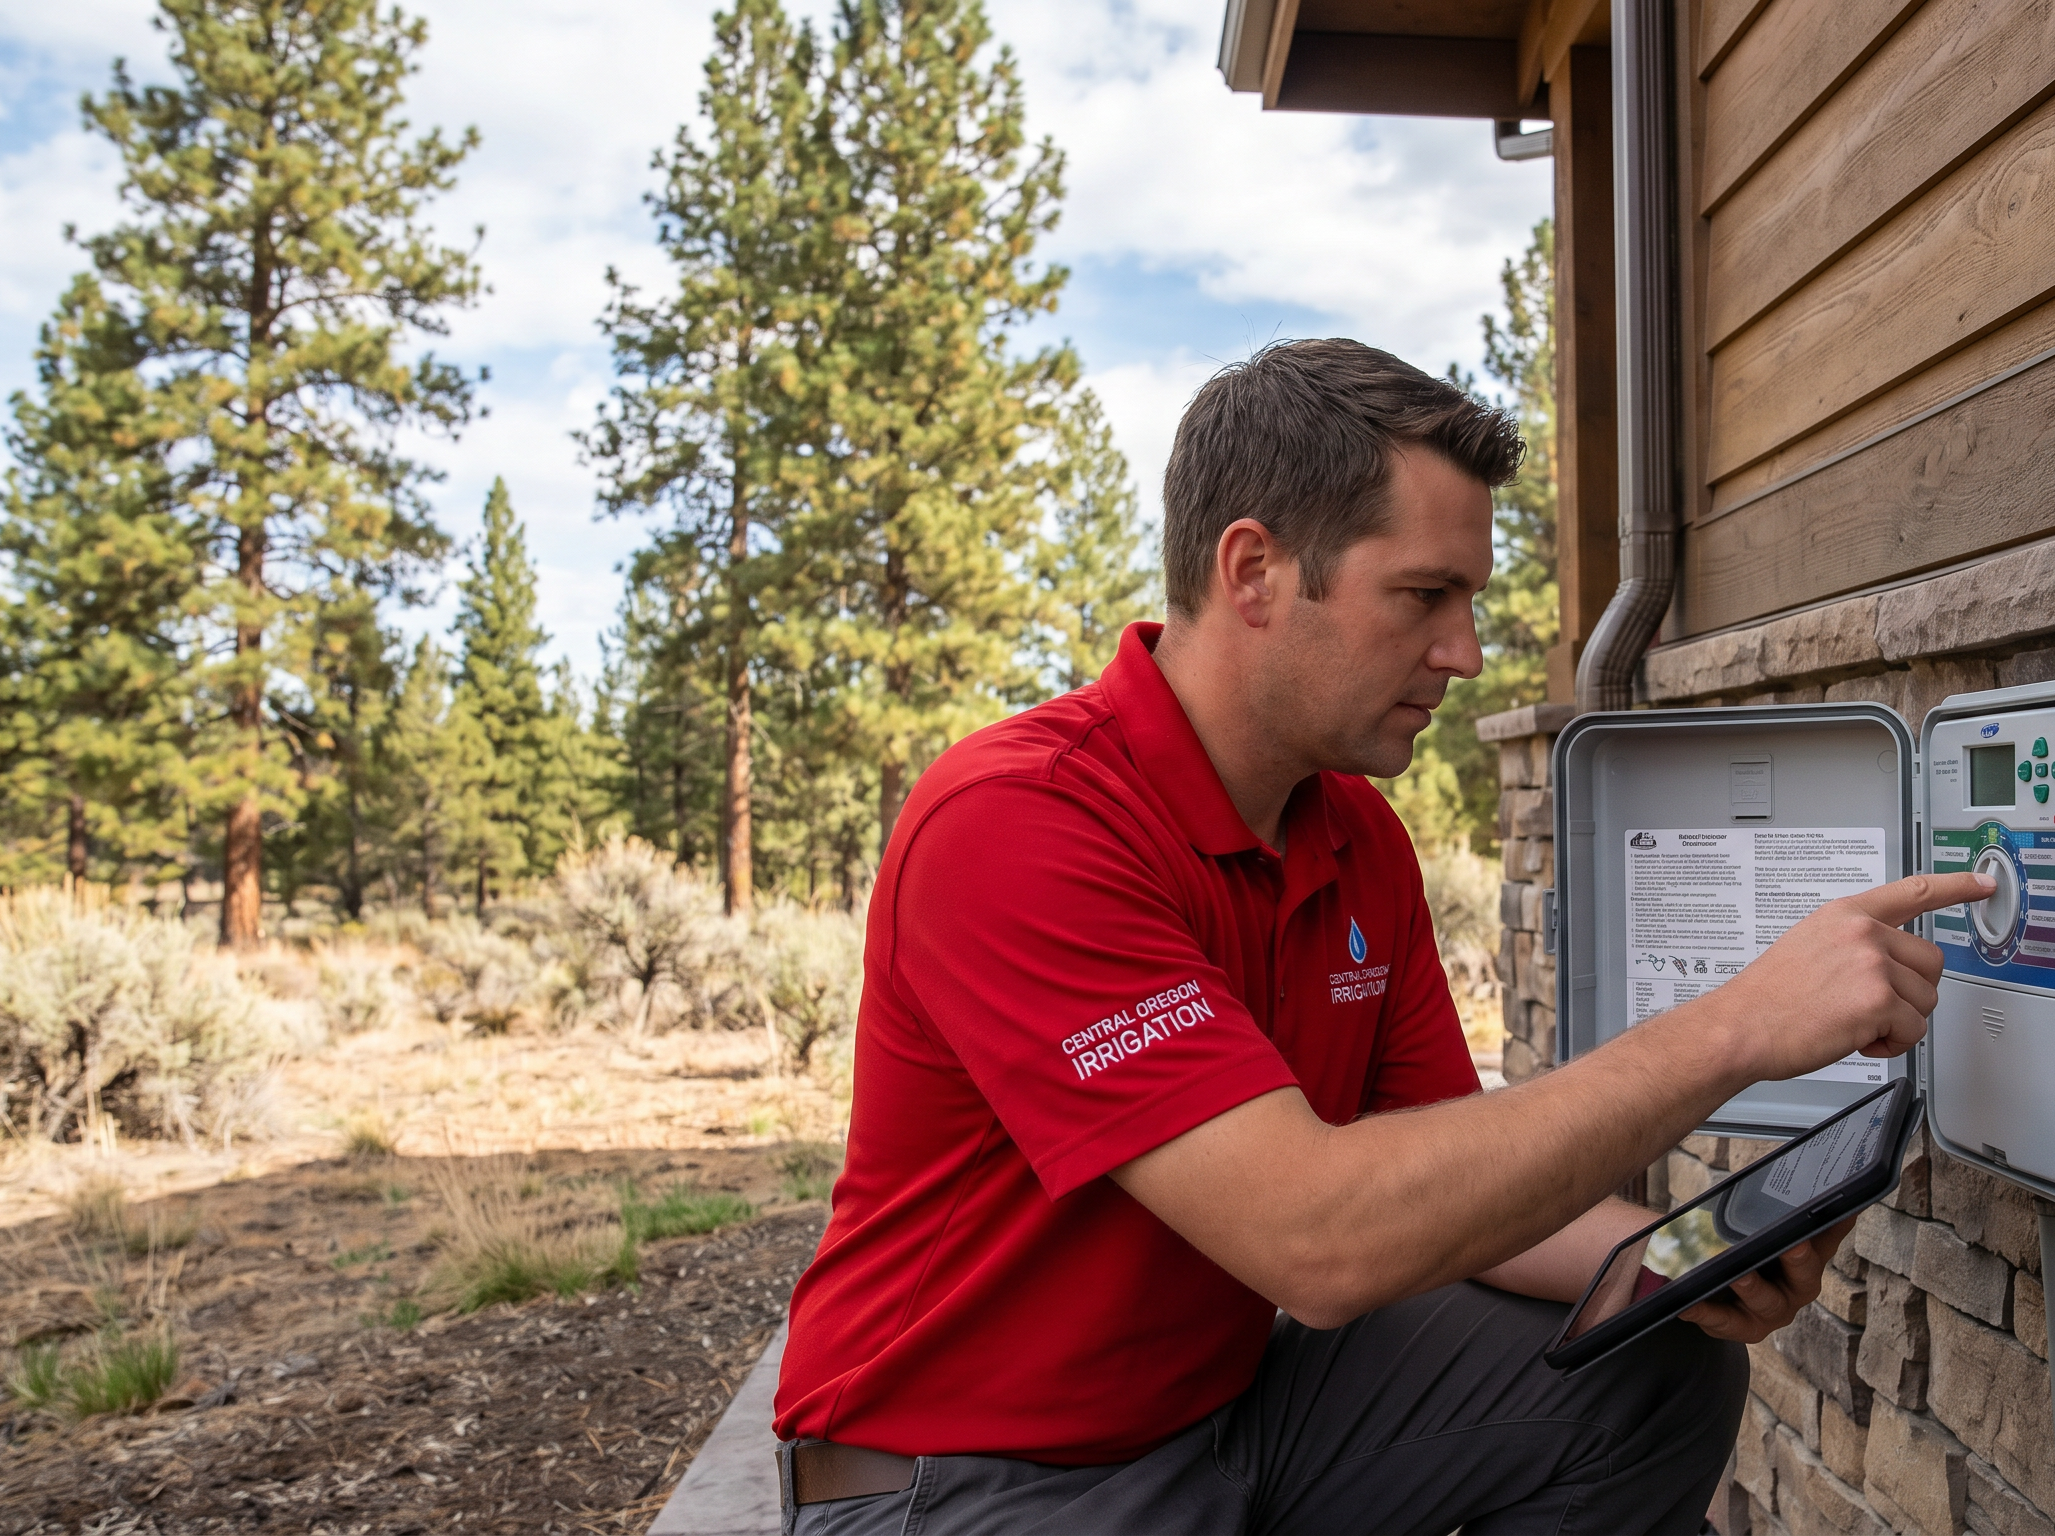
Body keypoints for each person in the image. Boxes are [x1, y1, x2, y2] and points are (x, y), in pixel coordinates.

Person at [773, 339, 1990, 1535]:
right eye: (1423, 596)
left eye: (1466, 599)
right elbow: (1324, 1242)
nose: (1463, 651)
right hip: (958, 1481)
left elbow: (1438, 1173)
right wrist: (1735, 1027)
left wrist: (1674, 1255)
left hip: (1227, 1422)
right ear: (1252, 572)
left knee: (1646, 1373)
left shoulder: (1353, 833)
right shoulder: (1020, 821)